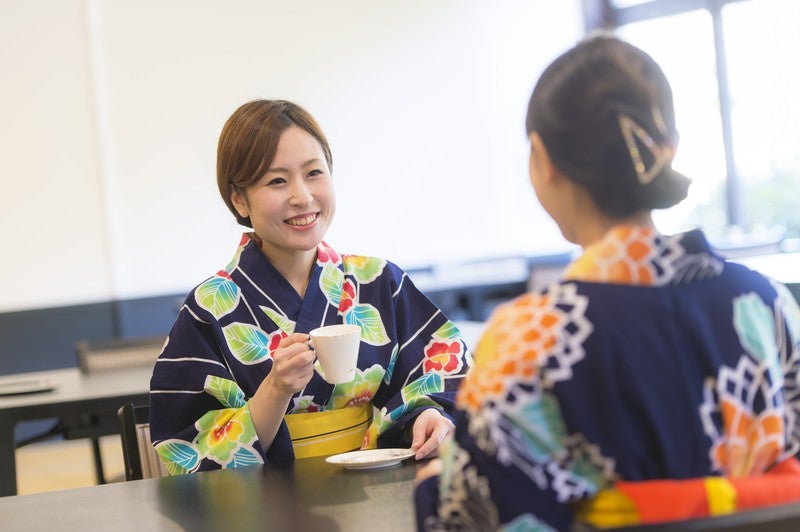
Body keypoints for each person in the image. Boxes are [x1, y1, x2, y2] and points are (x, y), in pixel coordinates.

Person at [414, 34, 800, 531]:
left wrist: (431, 486)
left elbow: (467, 520)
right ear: (667, 149)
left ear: (541, 160)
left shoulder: (529, 337)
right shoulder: (765, 303)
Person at [149, 99, 471, 473]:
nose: (302, 197)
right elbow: (185, 448)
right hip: (269, 510)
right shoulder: (210, 307)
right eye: (277, 180)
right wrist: (275, 389)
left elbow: (440, 374)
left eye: (314, 173)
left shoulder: (381, 282)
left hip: (378, 494)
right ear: (239, 199)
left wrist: (427, 418)